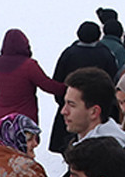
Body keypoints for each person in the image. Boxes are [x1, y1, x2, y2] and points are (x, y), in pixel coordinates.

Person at [48, 23, 119, 152]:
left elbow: (58, 80)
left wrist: (65, 102)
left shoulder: (69, 53)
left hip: (72, 106)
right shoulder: (105, 53)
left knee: (69, 145)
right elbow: (113, 80)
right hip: (98, 111)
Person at [0, 28, 65, 127]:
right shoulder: (29, 65)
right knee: (27, 142)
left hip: (0, 118)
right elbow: (47, 85)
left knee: (4, 142)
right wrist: (69, 89)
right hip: (24, 118)